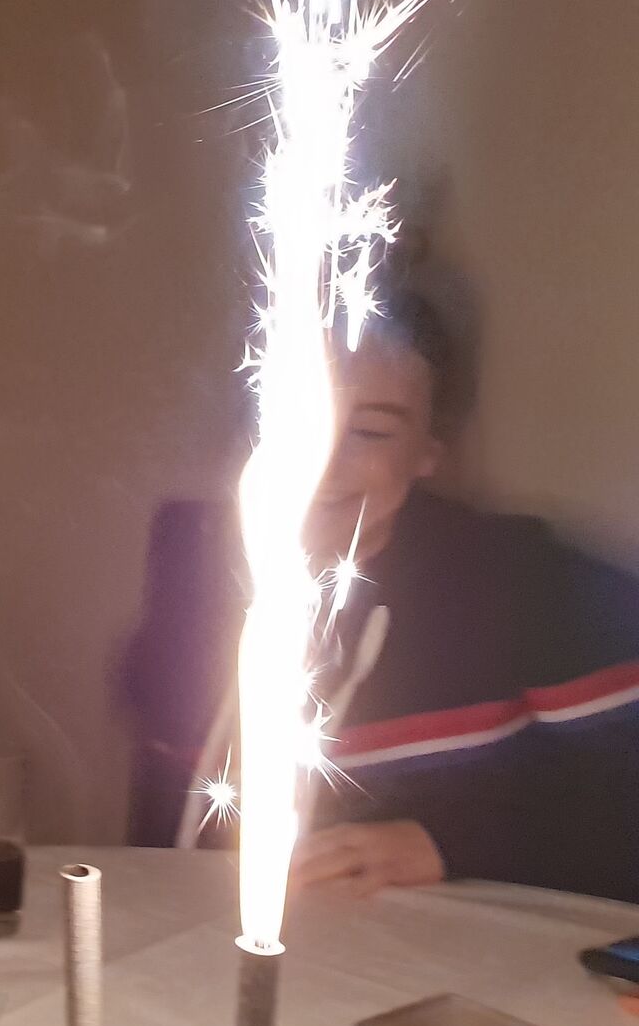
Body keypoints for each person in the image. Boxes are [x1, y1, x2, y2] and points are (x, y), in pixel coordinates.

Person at [124, 287, 639, 905]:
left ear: (428, 453)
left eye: (369, 432)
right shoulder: (191, 561)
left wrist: (453, 841)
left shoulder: (524, 576)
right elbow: (166, 810)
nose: (317, 460)